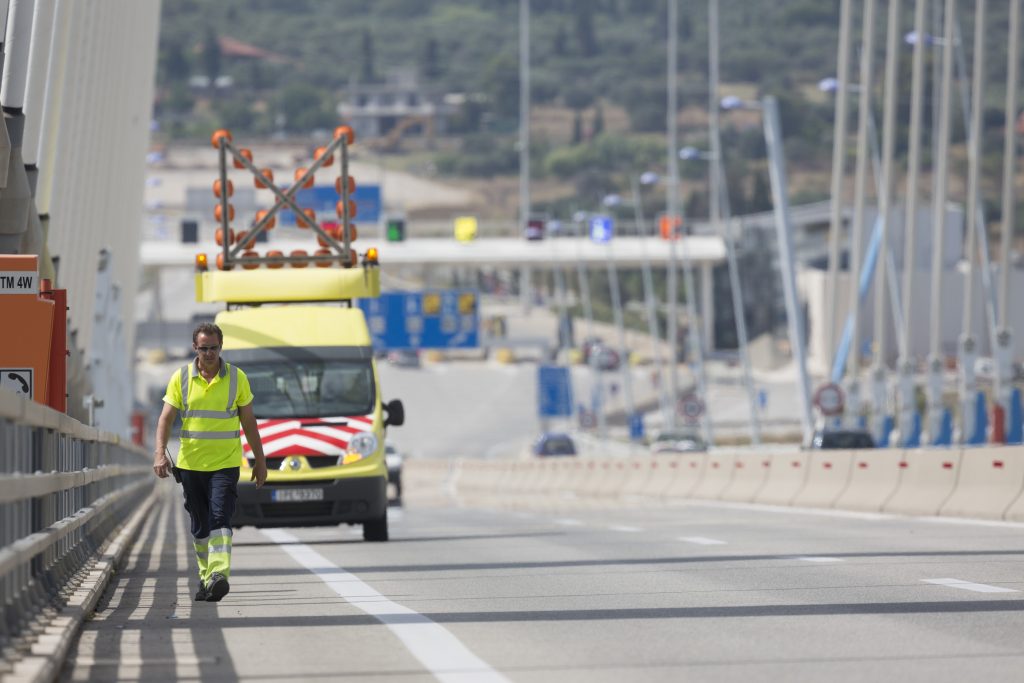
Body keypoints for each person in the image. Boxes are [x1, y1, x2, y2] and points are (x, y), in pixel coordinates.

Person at [153, 323, 268, 602]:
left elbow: (249, 422)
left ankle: (218, 574)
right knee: (200, 526)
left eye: (213, 348)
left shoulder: (237, 378)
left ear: (221, 347)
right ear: (195, 348)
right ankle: (206, 578)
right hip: (191, 465)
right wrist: (159, 453)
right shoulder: (181, 378)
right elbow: (166, 418)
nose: (209, 353)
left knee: (220, 517)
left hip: (225, 463)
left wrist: (260, 459)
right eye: (203, 348)